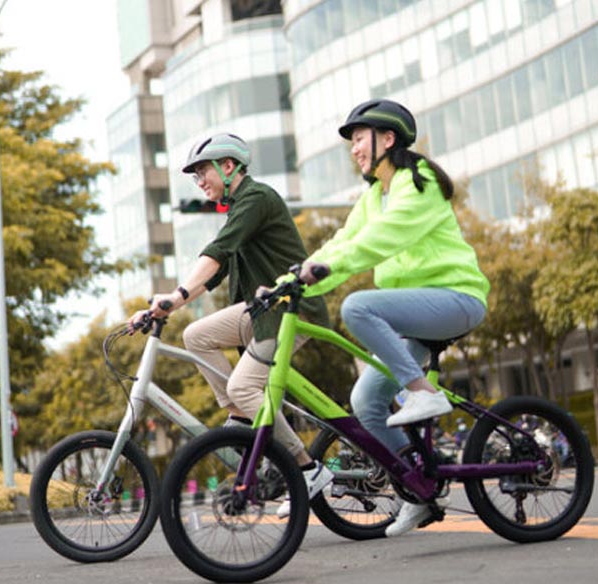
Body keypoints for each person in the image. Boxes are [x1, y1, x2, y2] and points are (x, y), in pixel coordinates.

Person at [299, 99, 490, 536]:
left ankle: (422, 392)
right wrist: (294, 280)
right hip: (417, 313)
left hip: (455, 298)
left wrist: (324, 270)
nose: (354, 150)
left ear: (387, 138)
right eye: (350, 143)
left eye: (359, 139)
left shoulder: (416, 183)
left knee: (358, 306)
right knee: (365, 402)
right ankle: (420, 489)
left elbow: (381, 239)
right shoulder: (374, 196)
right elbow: (343, 243)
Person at [128, 133, 333, 509]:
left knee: (243, 386)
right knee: (196, 335)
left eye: (203, 171)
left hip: (290, 312)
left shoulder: (255, 198)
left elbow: (217, 254)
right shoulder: (239, 207)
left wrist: (175, 296)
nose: (200, 181)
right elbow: (214, 274)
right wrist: (162, 307)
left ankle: (306, 468)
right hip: (262, 313)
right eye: (194, 177)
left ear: (228, 166)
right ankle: (239, 415)